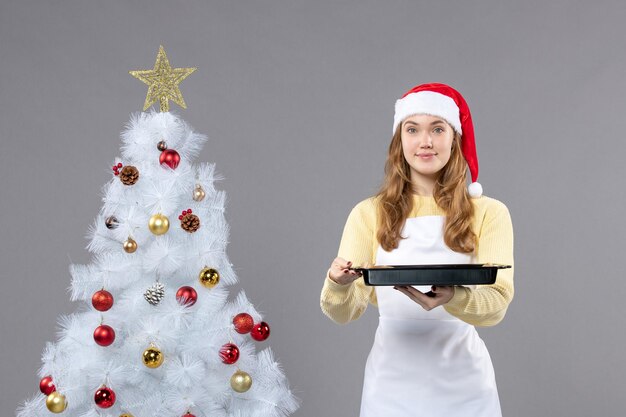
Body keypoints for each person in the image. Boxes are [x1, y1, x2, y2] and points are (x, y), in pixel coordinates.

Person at [320, 82, 514, 417]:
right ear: (400, 141)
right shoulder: (368, 214)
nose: (425, 141)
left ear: (454, 139)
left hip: (465, 385)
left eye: (437, 129)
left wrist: (454, 298)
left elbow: (496, 305)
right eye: (413, 129)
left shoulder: (489, 213)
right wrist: (338, 283)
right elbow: (343, 313)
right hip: (391, 387)